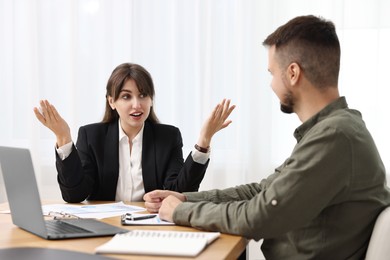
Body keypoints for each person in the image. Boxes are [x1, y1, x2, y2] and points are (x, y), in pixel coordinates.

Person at [143, 15, 390, 259]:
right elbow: (263, 191)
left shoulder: (335, 136)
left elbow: (259, 216)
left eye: (272, 73)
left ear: (293, 73)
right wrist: (185, 198)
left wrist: (182, 211)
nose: (271, 84)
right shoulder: (331, 131)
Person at [33, 62, 235, 203]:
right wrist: (63, 138)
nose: (136, 105)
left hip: (153, 228)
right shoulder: (91, 136)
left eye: (143, 95)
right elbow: (75, 195)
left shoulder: (168, 137)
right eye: (126, 96)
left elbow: (179, 192)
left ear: (151, 99)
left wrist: (204, 140)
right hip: (105, 227)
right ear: (111, 101)